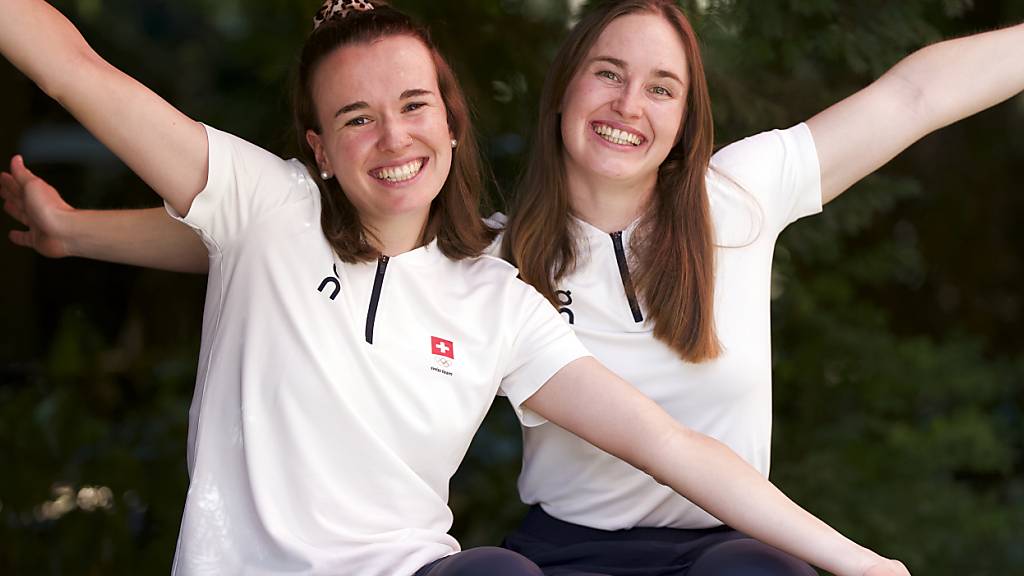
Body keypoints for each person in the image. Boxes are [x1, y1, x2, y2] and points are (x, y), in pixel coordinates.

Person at [0, 1, 912, 575]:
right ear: (316, 150)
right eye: (356, 119)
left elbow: (669, 444)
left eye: (412, 107)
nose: (393, 138)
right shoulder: (263, 206)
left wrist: (856, 562)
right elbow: (75, 67)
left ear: (449, 120)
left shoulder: (496, 290)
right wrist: (76, 232)